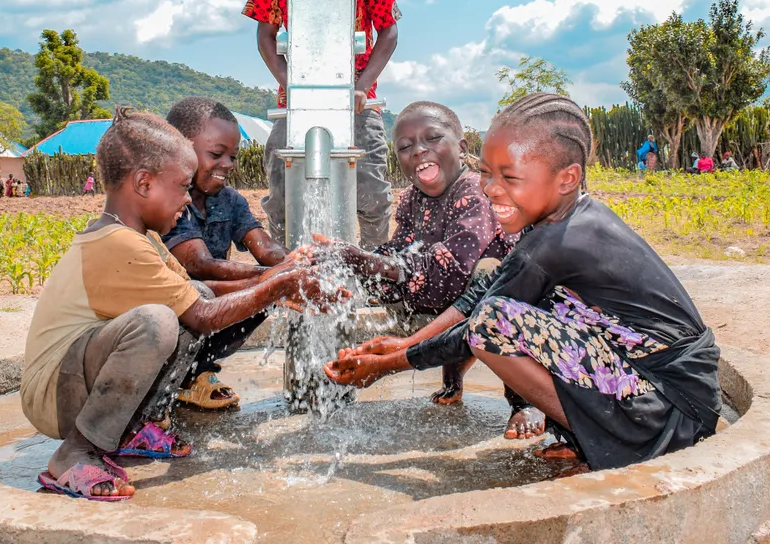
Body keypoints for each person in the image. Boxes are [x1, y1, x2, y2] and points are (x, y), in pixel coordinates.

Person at [325, 94, 722, 473]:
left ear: (567, 178)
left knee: (493, 323)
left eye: (510, 177)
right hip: (676, 394)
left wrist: (388, 365)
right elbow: (485, 290)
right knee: (498, 303)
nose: (491, 188)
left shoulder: (562, 241)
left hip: (671, 409)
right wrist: (407, 343)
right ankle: (588, 433)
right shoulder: (563, 222)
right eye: (486, 172)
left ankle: (616, 443)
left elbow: (475, 327)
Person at [21, 108, 345, 501]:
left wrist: (280, 280)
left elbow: (199, 291)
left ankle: (129, 430)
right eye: (181, 187)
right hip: (53, 394)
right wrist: (279, 285)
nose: (185, 200)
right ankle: (74, 455)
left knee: (197, 297)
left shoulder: (139, 237)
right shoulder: (117, 243)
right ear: (143, 184)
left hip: (75, 381)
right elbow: (203, 318)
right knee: (157, 322)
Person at [310, 101, 544, 439]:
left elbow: (452, 269)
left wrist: (367, 261)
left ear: (462, 148)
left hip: (495, 302)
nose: (419, 150)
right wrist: (355, 260)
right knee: (358, 278)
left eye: (432, 139)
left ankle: (524, 400)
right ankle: (339, 379)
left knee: (487, 274)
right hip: (438, 294)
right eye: (406, 147)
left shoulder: (475, 193)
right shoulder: (410, 199)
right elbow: (398, 250)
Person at [243, 0, 400, 250]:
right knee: (282, 193)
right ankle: (285, 276)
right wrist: (290, 85)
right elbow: (265, 34)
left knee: (373, 195)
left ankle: (374, 275)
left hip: (356, 101)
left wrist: (361, 88)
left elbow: (389, 31)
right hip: (296, 101)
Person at [162, 97, 288, 410]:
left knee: (262, 296)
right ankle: (166, 377)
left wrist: (305, 263)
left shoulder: (228, 200)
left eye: (232, 156)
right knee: (212, 289)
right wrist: (278, 278)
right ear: (180, 149)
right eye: (217, 154)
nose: (228, 165)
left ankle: (196, 373)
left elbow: (265, 247)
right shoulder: (164, 201)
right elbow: (199, 264)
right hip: (167, 315)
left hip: (205, 309)